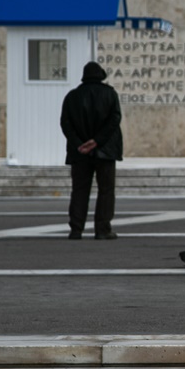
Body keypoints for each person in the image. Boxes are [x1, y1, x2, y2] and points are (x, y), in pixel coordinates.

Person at [59, 61, 123, 240]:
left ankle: (76, 229)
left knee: (79, 190)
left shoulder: (72, 96)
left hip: (80, 153)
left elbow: (66, 123)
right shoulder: (110, 94)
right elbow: (114, 120)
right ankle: (102, 229)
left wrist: (79, 143)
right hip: (105, 151)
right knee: (106, 191)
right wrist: (96, 141)